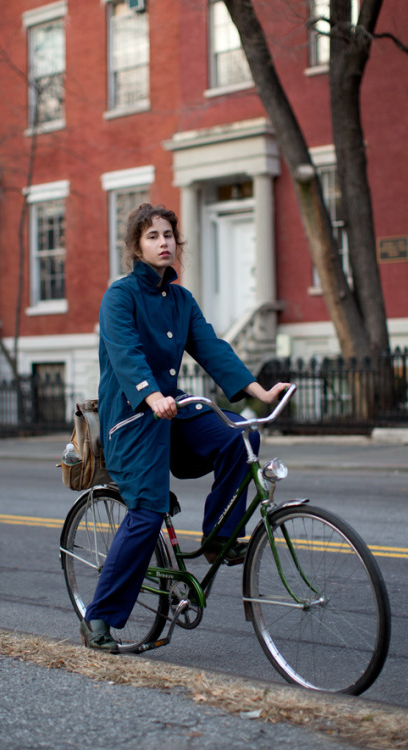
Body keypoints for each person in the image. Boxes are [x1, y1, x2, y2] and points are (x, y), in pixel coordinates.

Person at [81, 203, 290, 653]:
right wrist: (151, 394)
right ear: (136, 246)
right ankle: (98, 617)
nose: (163, 243)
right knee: (147, 514)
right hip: (135, 421)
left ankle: (218, 538)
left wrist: (258, 391)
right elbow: (126, 353)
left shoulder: (180, 300)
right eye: (153, 236)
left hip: (171, 416)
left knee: (243, 433)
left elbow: (212, 347)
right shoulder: (120, 297)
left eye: (169, 235)